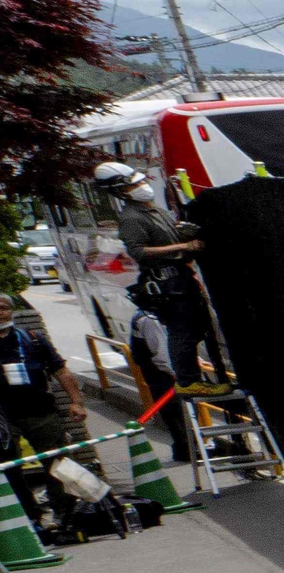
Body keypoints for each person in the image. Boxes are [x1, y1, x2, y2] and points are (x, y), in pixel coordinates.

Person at [92, 162, 209, 457]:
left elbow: (167, 238)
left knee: (197, 326)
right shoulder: (131, 217)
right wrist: (183, 247)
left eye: (138, 180)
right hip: (166, 283)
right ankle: (189, 382)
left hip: (180, 276)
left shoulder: (152, 208)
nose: (140, 185)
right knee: (182, 328)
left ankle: (191, 380)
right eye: (132, 184)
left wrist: (181, 235)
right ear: (121, 191)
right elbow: (138, 251)